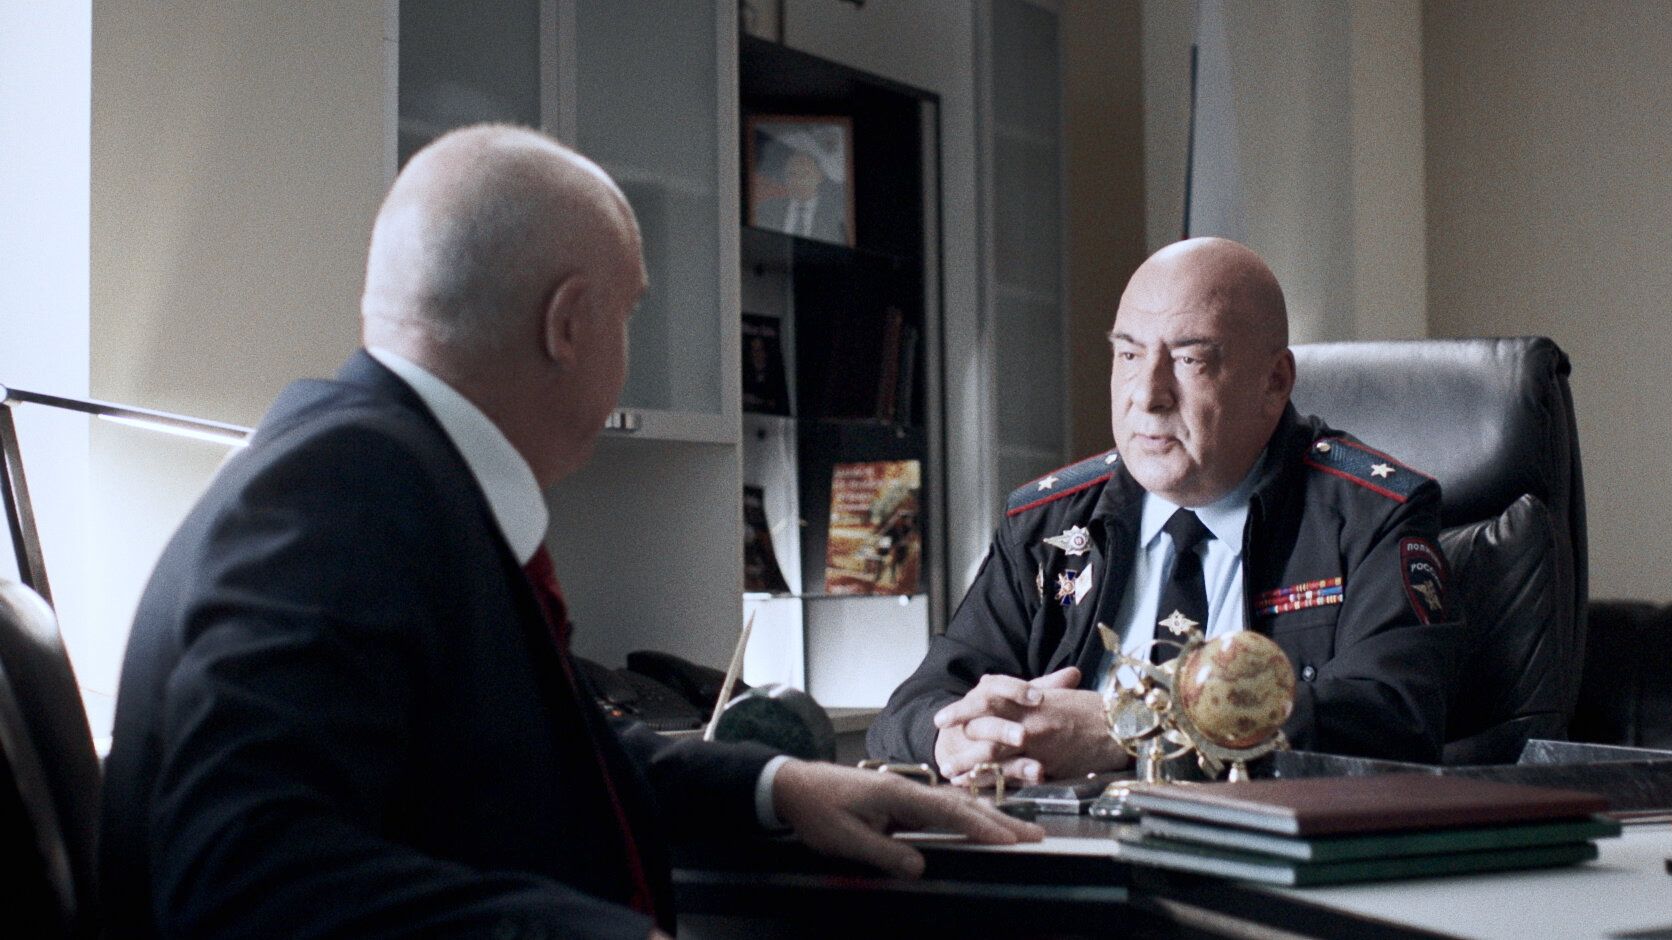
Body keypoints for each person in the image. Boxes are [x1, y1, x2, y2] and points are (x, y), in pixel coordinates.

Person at [98, 125, 1039, 939]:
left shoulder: (381, 472)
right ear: (569, 323)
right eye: (628, 314)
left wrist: (780, 785)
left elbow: (543, 761)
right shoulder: (342, 497)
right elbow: (244, 872)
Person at [868, 238, 1466, 786]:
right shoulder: (1047, 526)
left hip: (1257, 855)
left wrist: (1137, 727)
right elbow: (913, 709)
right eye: (1129, 355)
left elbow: (1395, 722)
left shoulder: (1370, 516)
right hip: (1059, 847)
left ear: (1274, 382)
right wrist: (954, 739)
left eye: (1189, 361)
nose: (1147, 395)